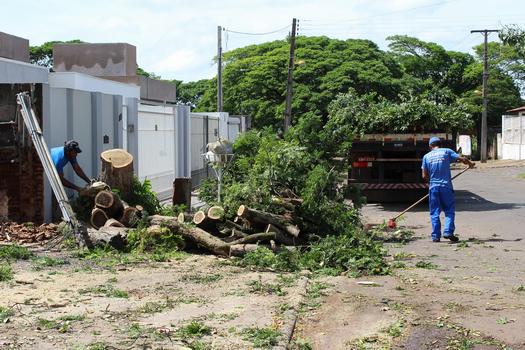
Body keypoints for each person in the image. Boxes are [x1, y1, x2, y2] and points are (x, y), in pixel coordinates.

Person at [421, 137, 475, 242]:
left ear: (430, 146)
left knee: (434, 212)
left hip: (433, 187)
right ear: (440, 144)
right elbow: (462, 159)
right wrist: (470, 164)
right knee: (449, 210)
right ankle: (448, 232)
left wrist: (431, 182)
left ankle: (436, 236)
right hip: (446, 187)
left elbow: (424, 175)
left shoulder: (426, 157)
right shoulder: (446, 151)